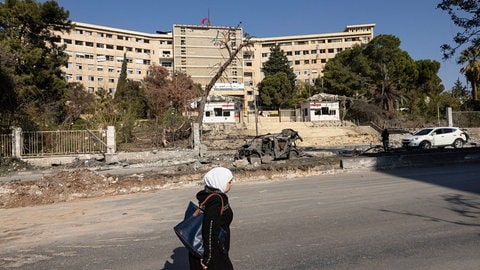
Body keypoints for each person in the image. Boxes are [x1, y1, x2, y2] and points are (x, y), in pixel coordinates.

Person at [189, 167, 234, 270]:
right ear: (220, 181)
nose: (231, 184)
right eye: (229, 181)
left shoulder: (207, 194)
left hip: (212, 249)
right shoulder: (216, 200)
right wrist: (208, 260)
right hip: (213, 252)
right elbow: (209, 230)